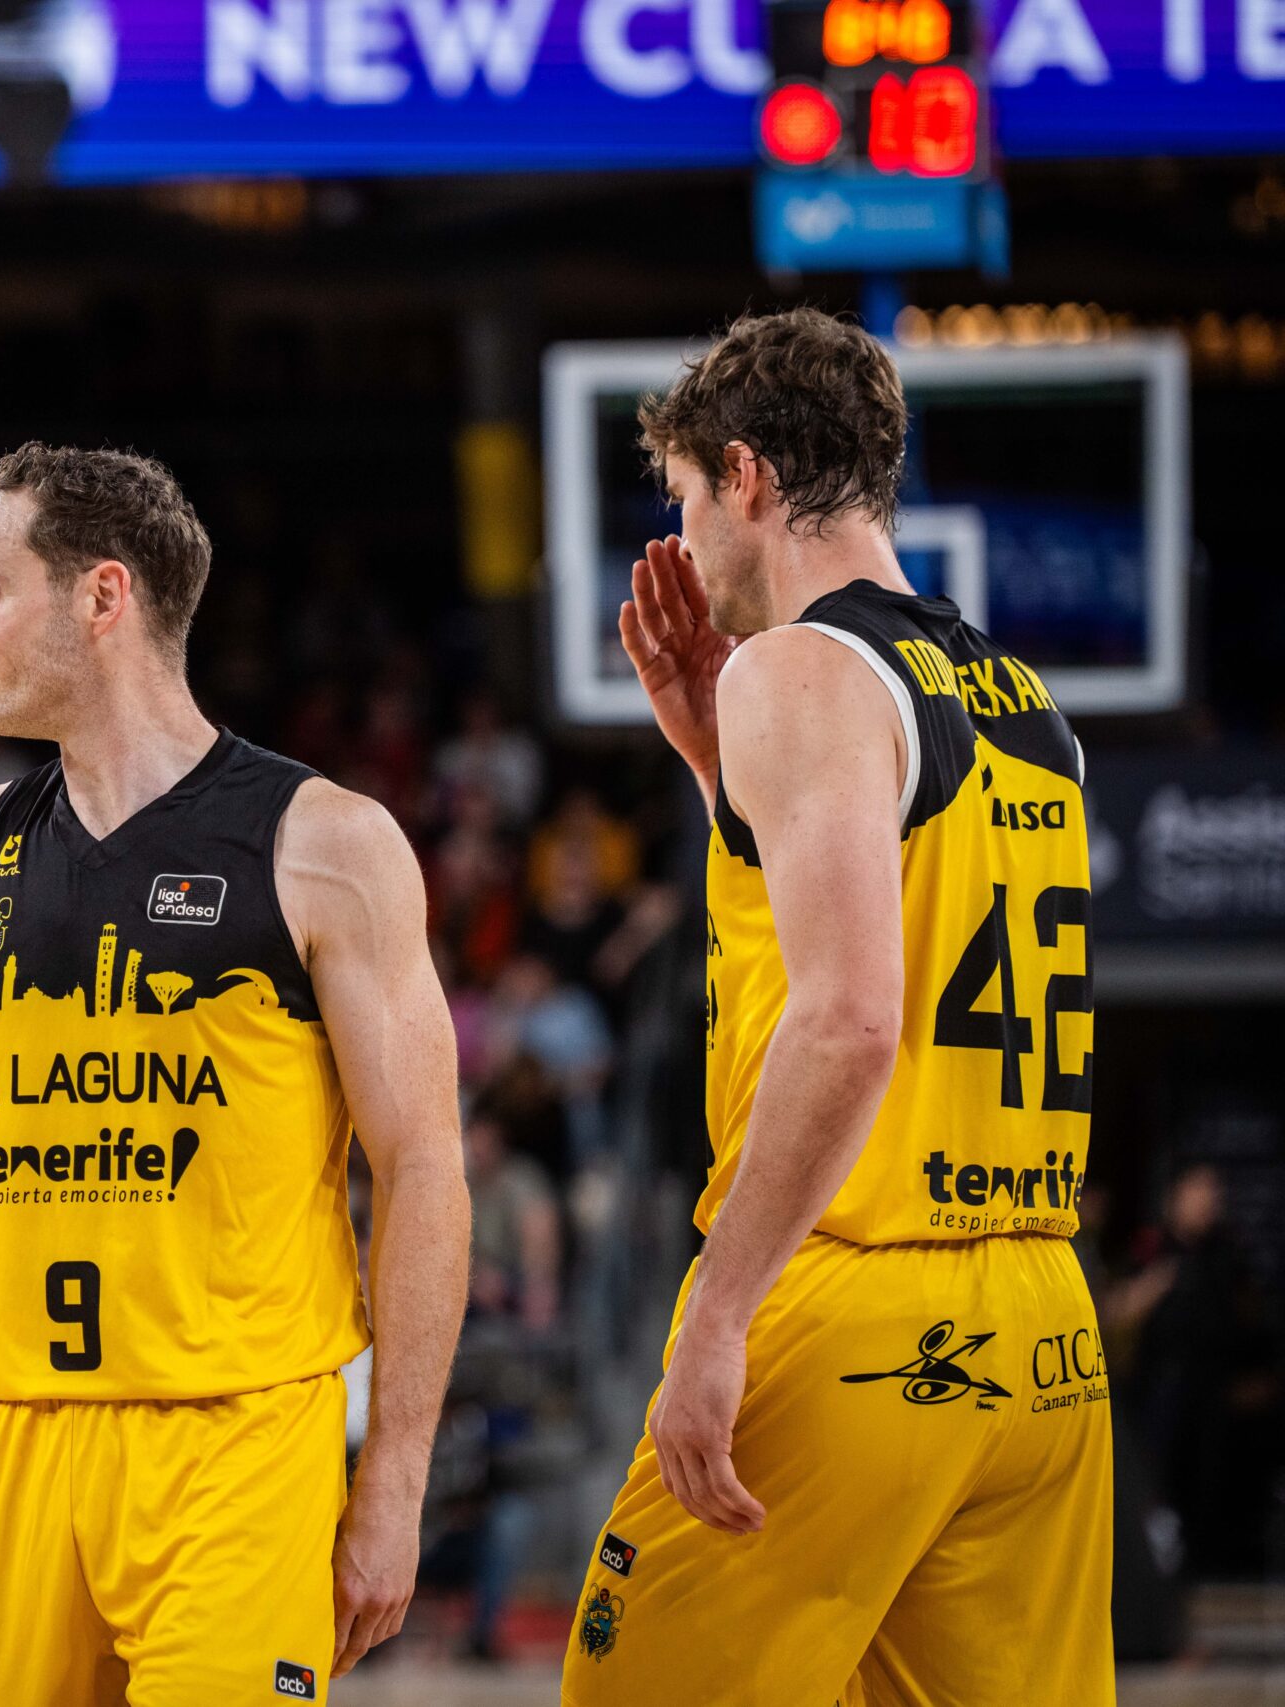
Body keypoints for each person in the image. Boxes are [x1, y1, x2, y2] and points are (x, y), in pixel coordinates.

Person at [0, 444, 473, 1702]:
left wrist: (392, 1484)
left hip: (239, 1444)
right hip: (25, 1444)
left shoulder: (324, 843)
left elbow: (421, 1168)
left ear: (102, 596)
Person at [563, 309, 1111, 1705]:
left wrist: (716, 1313)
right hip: (1041, 1322)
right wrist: (714, 770)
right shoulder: (1026, 704)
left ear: (745, 474)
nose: (683, 538)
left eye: (684, 497)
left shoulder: (801, 668)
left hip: (858, 1303)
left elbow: (854, 1019)